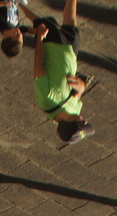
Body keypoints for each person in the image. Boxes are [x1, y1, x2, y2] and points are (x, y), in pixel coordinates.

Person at [22, 0, 93, 143]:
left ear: (69, 120)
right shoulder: (74, 112)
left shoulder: (47, 100)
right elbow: (78, 94)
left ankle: (18, 4)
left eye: (83, 123)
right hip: (71, 52)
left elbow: (38, 67)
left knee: (41, 21)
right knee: (71, 21)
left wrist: (40, 39)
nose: (85, 120)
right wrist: (82, 86)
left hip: (53, 46)